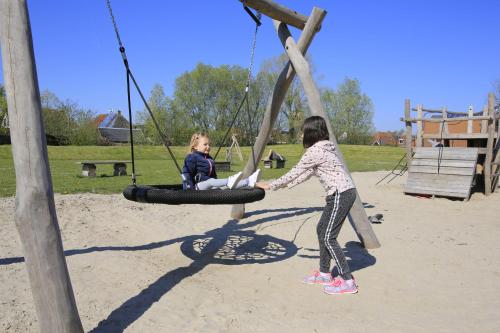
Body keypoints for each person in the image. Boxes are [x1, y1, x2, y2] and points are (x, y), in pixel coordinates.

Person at [256, 116, 358, 295]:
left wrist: (271, 185)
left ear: (311, 133)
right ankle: (325, 273)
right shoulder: (324, 148)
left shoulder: (315, 152)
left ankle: (348, 281)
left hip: (340, 193)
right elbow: (306, 173)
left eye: (303, 132)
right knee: (322, 231)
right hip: (340, 193)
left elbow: (295, 171)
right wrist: (286, 186)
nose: (300, 135)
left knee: (328, 237)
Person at [182, 132, 261, 190]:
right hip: (197, 187)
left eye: (209, 144)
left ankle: (249, 181)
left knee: (226, 186)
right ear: (195, 146)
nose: (208, 146)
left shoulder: (209, 159)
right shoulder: (192, 157)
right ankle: (229, 180)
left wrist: (218, 184)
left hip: (209, 186)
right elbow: (186, 173)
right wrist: (188, 187)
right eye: (205, 144)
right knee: (211, 181)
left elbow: (213, 174)